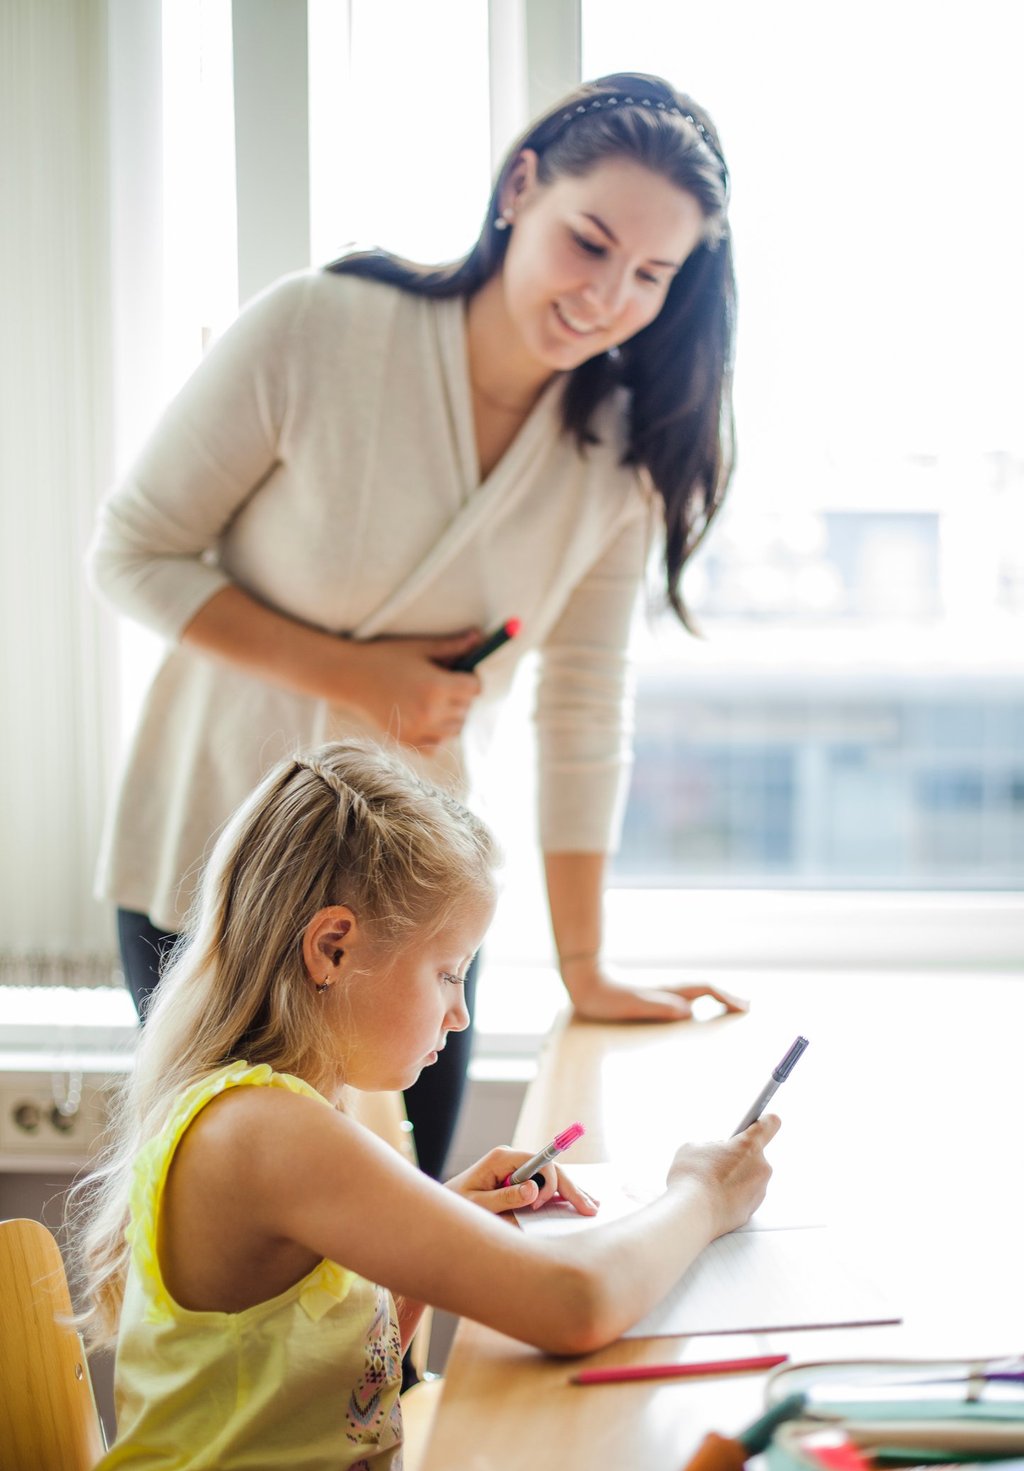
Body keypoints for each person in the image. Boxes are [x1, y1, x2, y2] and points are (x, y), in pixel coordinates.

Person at [89, 70, 746, 1184]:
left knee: (398, 1290)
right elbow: (132, 552)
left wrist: (583, 966)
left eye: (650, 274)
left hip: (415, 906)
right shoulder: (318, 327)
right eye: (588, 244)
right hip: (212, 859)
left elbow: (582, 706)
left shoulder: (617, 455)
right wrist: (358, 674)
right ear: (519, 187)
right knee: (230, 1255)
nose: (606, 298)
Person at [71, 742, 779, 1471]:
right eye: (448, 973)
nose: (459, 1014)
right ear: (332, 948)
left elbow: (322, 1375)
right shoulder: (265, 1131)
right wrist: (704, 1194)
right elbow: (574, 1305)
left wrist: (438, 1225)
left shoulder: (281, 1112)